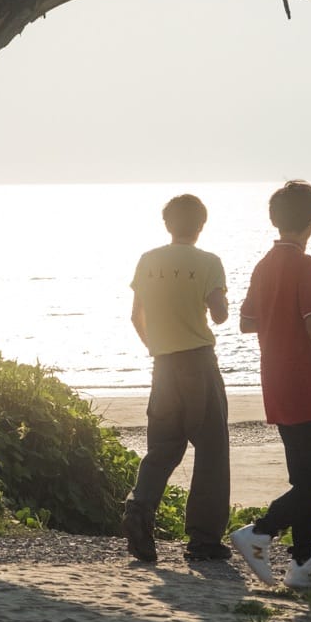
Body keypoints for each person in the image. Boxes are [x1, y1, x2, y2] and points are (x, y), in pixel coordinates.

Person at [231, 180, 311, 589]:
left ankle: (304, 563)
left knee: (303, 479)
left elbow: (247, 322)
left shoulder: (264, 265)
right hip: (305, 381)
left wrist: (284, 314)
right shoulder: (305, 264)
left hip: (275, 380)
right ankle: (260, 533)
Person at [122, 194, 231, 565]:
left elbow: (136, 315)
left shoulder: (148, 260)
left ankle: (140, 507)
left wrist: (155, 346)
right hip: (198, 363)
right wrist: (218, 301)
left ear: (167, 224)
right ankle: (203, 541)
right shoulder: (209, 262)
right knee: (212, 451)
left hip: (163, 364)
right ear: (201, 225)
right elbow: (219, 316)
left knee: (163, 447)